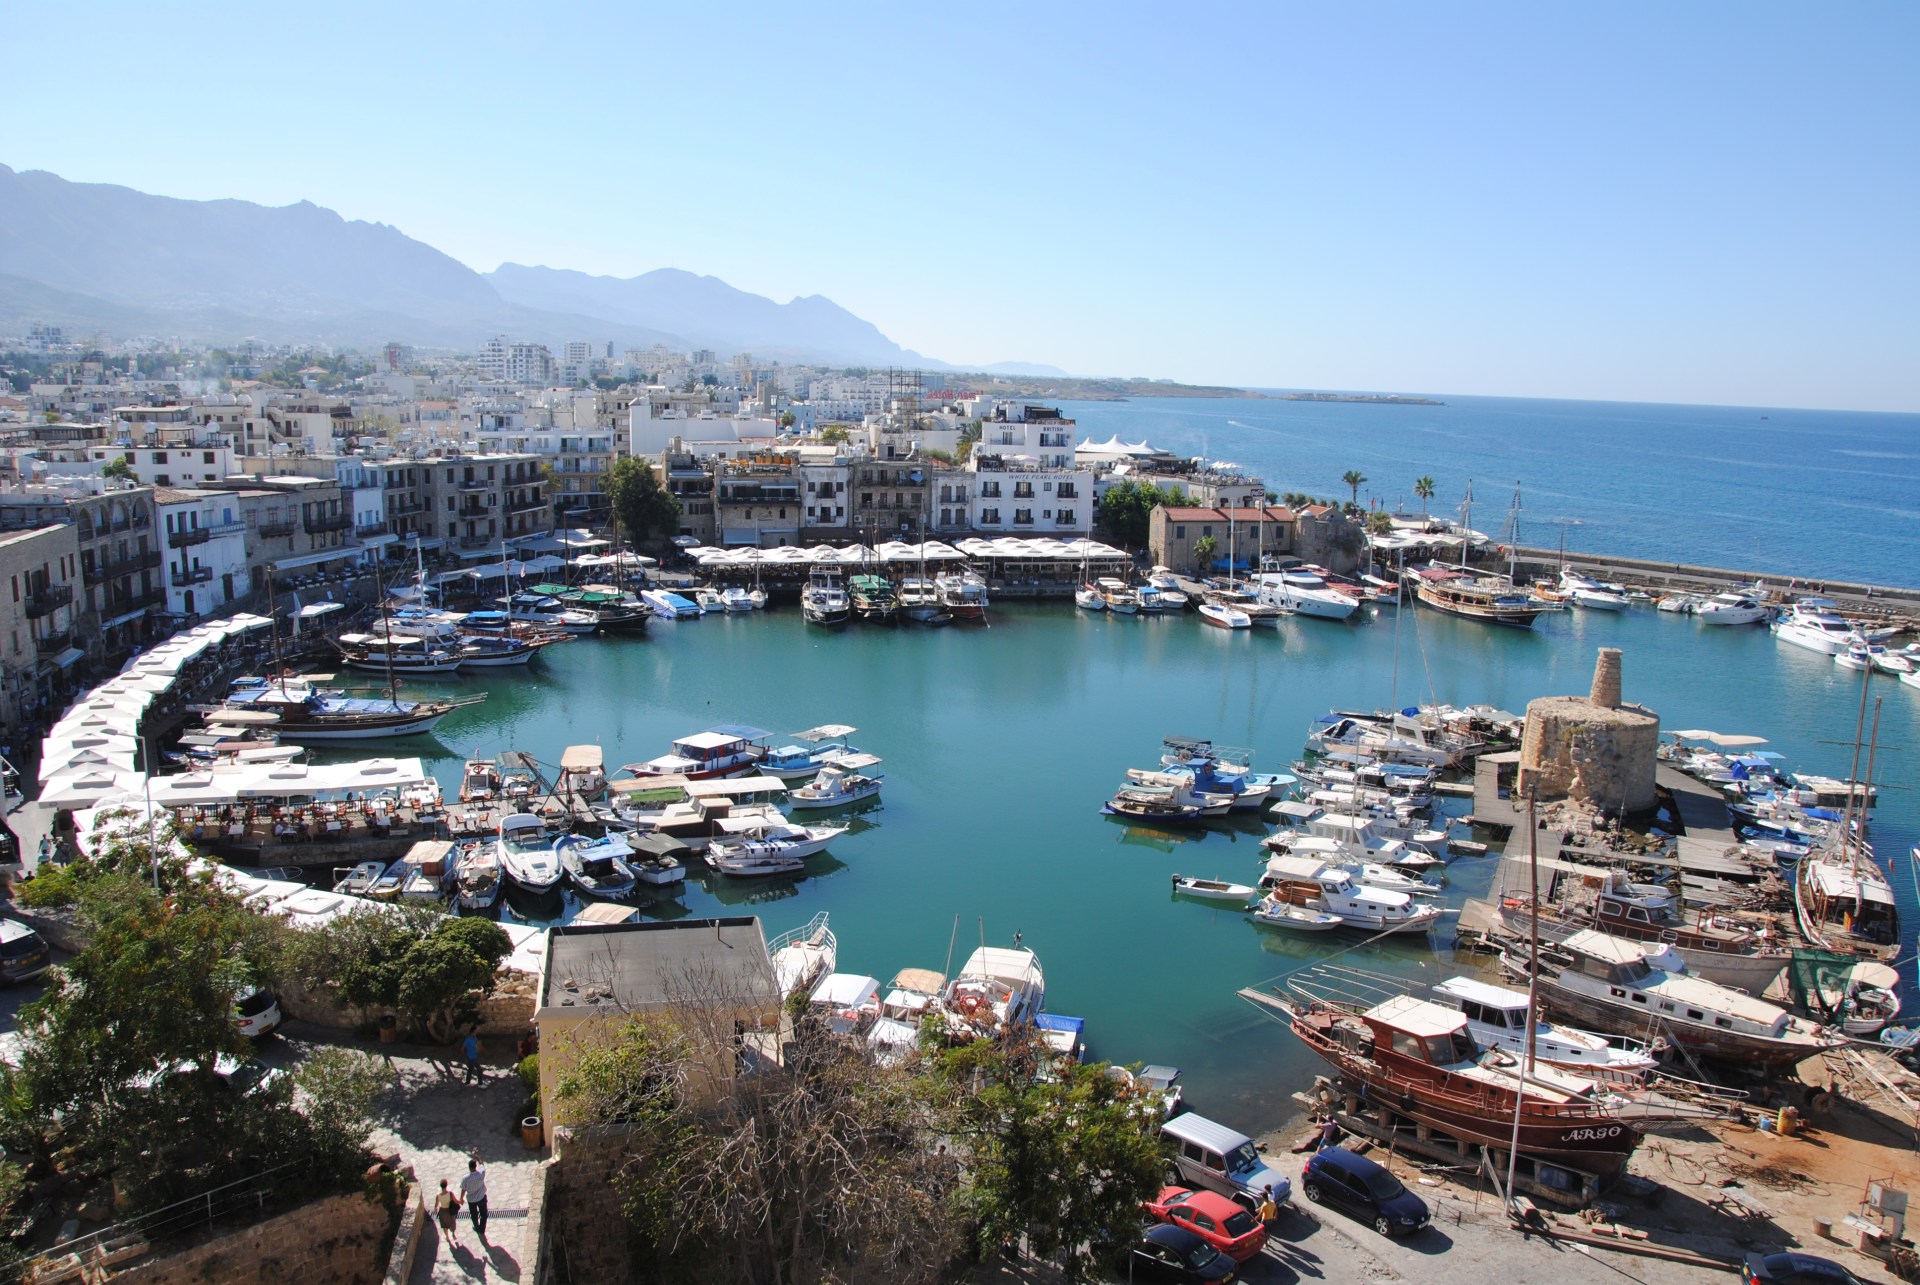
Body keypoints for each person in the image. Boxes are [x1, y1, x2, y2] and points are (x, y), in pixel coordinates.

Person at [461, 1153, 489, 1239]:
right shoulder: (481, 1174)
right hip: (481, 1198)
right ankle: (482, 1230)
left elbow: (463, 1189)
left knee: (474, 1215)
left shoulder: (465, 1179)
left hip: (471, 1200)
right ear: (475, 1166)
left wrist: (461, 1198)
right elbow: (481, 1163)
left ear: (469, 1168)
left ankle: (477, 1227)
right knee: (484, 1214)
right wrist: (476, 1155)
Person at [433, 1178, 461, 1245]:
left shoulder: (438, 1196)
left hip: (442, 1211)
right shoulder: (450, 1194)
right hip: (450, 1210)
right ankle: (453, 1234)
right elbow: (456, 1201)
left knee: (444, 1225)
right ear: (446, 1185)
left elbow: (436, 1205)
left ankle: (447, 1237)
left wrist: (435, 1211)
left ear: (440, 1186)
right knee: (452, 1222)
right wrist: (461, 1201)